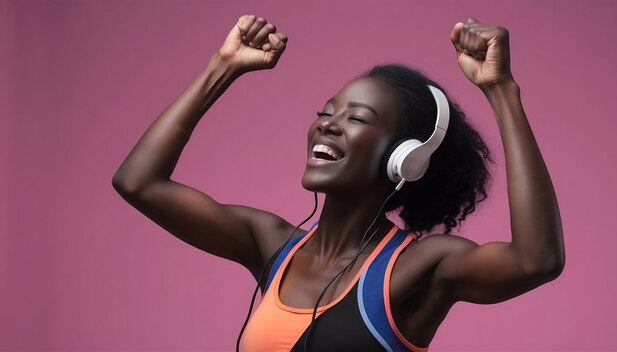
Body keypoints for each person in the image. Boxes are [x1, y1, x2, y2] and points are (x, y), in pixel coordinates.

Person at [112, 15, 565, 351]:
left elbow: (535, 261)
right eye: (326, 113)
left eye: (357, 119)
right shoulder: (270, 244)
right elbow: (138, 182)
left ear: (404, 159)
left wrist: (501, 91)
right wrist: (223, 66)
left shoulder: (422, 267)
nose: (328, 125)